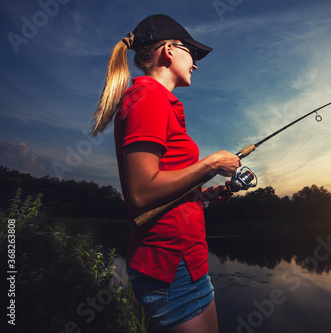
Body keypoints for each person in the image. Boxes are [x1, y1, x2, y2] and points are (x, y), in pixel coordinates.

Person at [90, 14, 241, 332]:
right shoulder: (150, 98)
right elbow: (143, 191)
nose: (196, 63)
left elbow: (162, 184)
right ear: (170, 50)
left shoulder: (154, 99)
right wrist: (211, 165)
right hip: (173, 264)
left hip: (177, 262)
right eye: (192, 53)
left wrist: (202, 195)